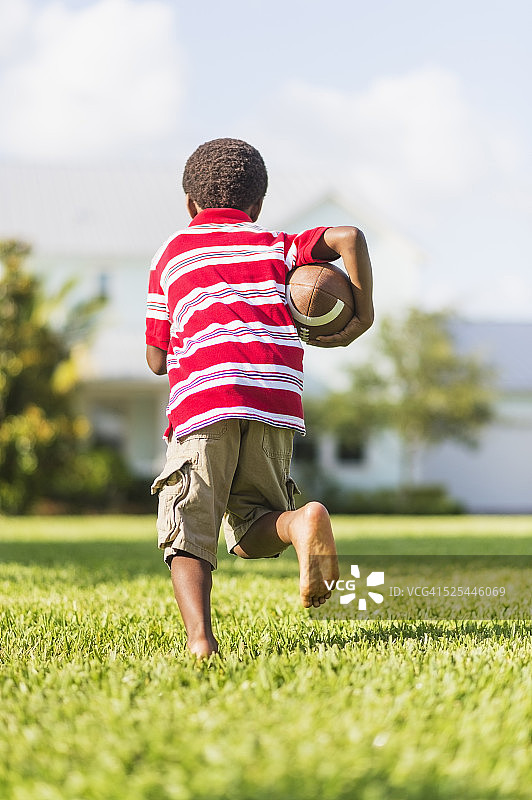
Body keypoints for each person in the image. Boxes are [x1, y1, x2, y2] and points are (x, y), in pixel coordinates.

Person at [146, 138, 374, 658]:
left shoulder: (172, 253)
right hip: (275, 400)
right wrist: (362, 313)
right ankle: (300, 521)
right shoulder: (277, 244)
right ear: (258, 206)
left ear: (189, 204)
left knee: (188, 526)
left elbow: (156, 358)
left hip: (205, 401)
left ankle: (201, 641)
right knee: (252, 527)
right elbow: (348, 236)